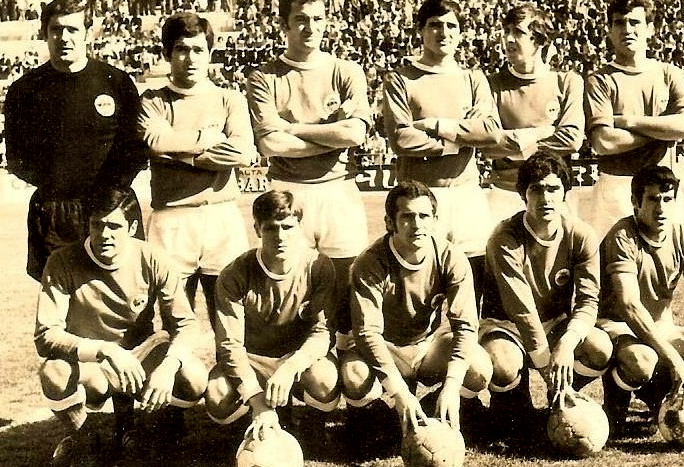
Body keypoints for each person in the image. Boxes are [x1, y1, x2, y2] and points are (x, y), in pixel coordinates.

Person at [34, 188, 207, 467]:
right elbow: (45, 336)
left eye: (114, 226)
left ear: (132, 228)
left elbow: (186, 324)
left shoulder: (152, 258)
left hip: (140, 355)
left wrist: (167, 368)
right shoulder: (62, 262)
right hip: (94, 364)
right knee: (53, 371)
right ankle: (86, 441)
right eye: (97, 225)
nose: (104, 235)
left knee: (194, 376)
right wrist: (104, 351)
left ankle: (158, 431)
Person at [247, 0, 372, 350]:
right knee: (291, 286)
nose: (310, 28)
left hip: (339, 192)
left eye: (317, 19)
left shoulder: (347, 71)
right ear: (283, 25)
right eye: (300, 20)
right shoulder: (264, 77)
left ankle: (351, 384)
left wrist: (296, 128)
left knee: (348, 284)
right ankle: (300, 375)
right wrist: (329, 132)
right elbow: (271, 143)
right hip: (288, 192)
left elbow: (355, 135)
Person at [4, 0, 147, 281]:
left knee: (124, 291)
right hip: (56, 209)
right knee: (61, 296)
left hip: (112, 206)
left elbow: (135, 149)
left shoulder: (115, 82)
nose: (63, 37)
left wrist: (112, 193)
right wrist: (56, 186)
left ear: (88, 33)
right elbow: (17, 157)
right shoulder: (25, 90)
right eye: (56, 29)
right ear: (44, 33)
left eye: (72, 29)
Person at [338, 181, 493, 439]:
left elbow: (465, 325)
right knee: (354, 375)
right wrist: (399, 392)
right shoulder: (370, 262)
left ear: (434, 220)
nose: (417, 224)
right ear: (390, 222)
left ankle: (436, 409)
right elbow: (367, 334)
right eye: (407, 217)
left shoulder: (451, 257)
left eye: (424, 216)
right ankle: (377, 423)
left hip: (426, 345)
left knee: (478, 367)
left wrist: (452, 387)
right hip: (385, 345)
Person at [597, 165, 684, 435]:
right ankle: (618, 400)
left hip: (660, 327)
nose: (661, 208)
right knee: (641, 361)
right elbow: (629, 306)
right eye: (652, 199)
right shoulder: (622, 236)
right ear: (634, 202)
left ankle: (664, 399)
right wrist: (675, 360)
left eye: (668, 199)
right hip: (618, 327)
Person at [480, 153, 610, 442]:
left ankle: (561, 399)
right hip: (506, 325)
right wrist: (546, 365)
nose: (545, 198)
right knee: (503, 364)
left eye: (553, 189)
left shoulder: (581, 235)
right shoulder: (504, 237)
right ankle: (515, 405)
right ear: (523, 194)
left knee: (599, 348)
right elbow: (521, 310)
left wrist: (567, 342)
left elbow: (589, 302)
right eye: (536, 189)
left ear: (565, 192)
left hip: (554, 324)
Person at [138, 12, 259, 319]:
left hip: (220, 215)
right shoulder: (153, 101)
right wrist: (208, 138)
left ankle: (232, 369)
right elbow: (156, 142)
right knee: (174, 320)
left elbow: (243, 153)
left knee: (231, 319)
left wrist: (184, 156)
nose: (190, 58)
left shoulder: (230, 99)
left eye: (198, 50)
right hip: (171, 219)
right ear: (167, 54)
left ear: (209, 53)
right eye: (181, 49)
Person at [383, 0, 503, 293]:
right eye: (435, 25)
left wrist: (438, 126)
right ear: (420, 31)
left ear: (460, 32)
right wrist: (462, 139)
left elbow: (491, 132)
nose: (444, 33)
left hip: (466, 192)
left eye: (451, 26)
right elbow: (402, 138)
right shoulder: (401, 79)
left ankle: (468, 337)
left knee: (473, 276)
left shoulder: (473, 78)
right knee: (424, 279)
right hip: (421, 194)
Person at [204, 190, 340, 443]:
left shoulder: (318, 266)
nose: (280, 236)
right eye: (270, 228)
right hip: (252, 360)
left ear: (300, 225)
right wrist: (256, 399)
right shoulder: (234, 274)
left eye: (287, 227)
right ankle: (244, 430)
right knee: (217, 394)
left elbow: (322, 333)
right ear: (256, 228)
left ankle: (313, 428)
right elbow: (229, 346)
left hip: (296, 360)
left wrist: (291, 367)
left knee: (326, 379)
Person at [583, 0, 684, 240]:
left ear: (650, 28)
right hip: (616, 187)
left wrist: (629, 121)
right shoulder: (599, 80)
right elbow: (604, 142)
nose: (627, 29)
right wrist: (663, 133)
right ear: (610, 31)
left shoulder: (669, 74)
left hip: (663, 187)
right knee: (611, 270)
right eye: (619, 23)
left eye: (635, 22)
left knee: (663, 269)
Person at [483, 4, 584, 222]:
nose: (508, 39)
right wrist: (541, 133)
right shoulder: (491, 85)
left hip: (554, 195)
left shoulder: (567, 82)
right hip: (505, 194)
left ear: (539, 39)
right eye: (506, 31)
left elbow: (571, 139)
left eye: (518, 32)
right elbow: (489, 146)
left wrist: (515, 146)